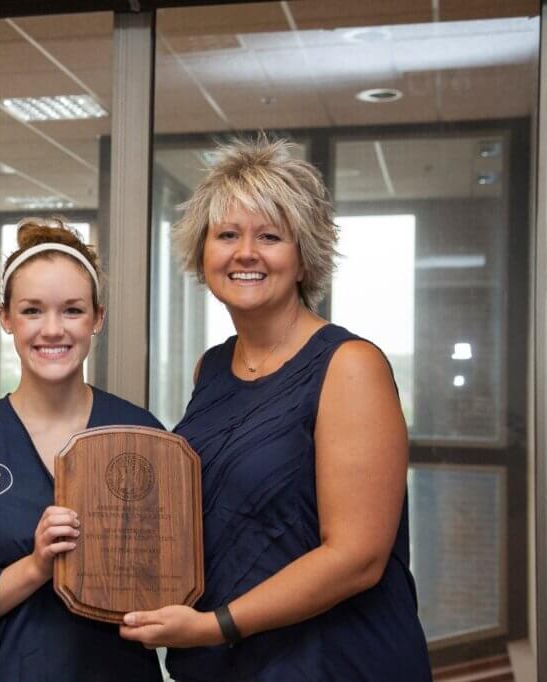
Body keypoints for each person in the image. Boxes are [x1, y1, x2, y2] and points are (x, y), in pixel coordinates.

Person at [119, 137, 432, 681]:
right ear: (201, 253)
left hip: (334, 661)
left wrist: (214, 626)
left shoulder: (349, 366)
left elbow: (356, 558)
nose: (246, 253)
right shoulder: (211, 368)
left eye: (269, 236)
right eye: (227, 235)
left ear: (303, 254)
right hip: (232, 662)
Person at [0, 218, 164, 681]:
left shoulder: (142, 435)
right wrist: (36, 565)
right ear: (5, 318)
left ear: (98, 318)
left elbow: (172, 575)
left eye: (72, 310)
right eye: (32, 311)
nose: (53, 330)